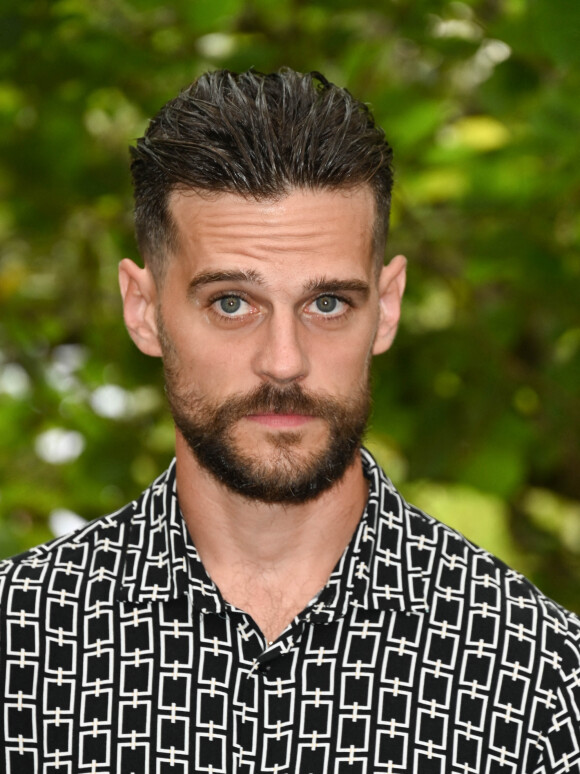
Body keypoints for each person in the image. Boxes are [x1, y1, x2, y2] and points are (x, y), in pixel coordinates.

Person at [0, 68, 578, 773]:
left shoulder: (537, 678)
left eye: (327, 303)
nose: (284, 362)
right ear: (144, 309)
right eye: (232, 303)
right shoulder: (20, 647)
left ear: (387, 307)